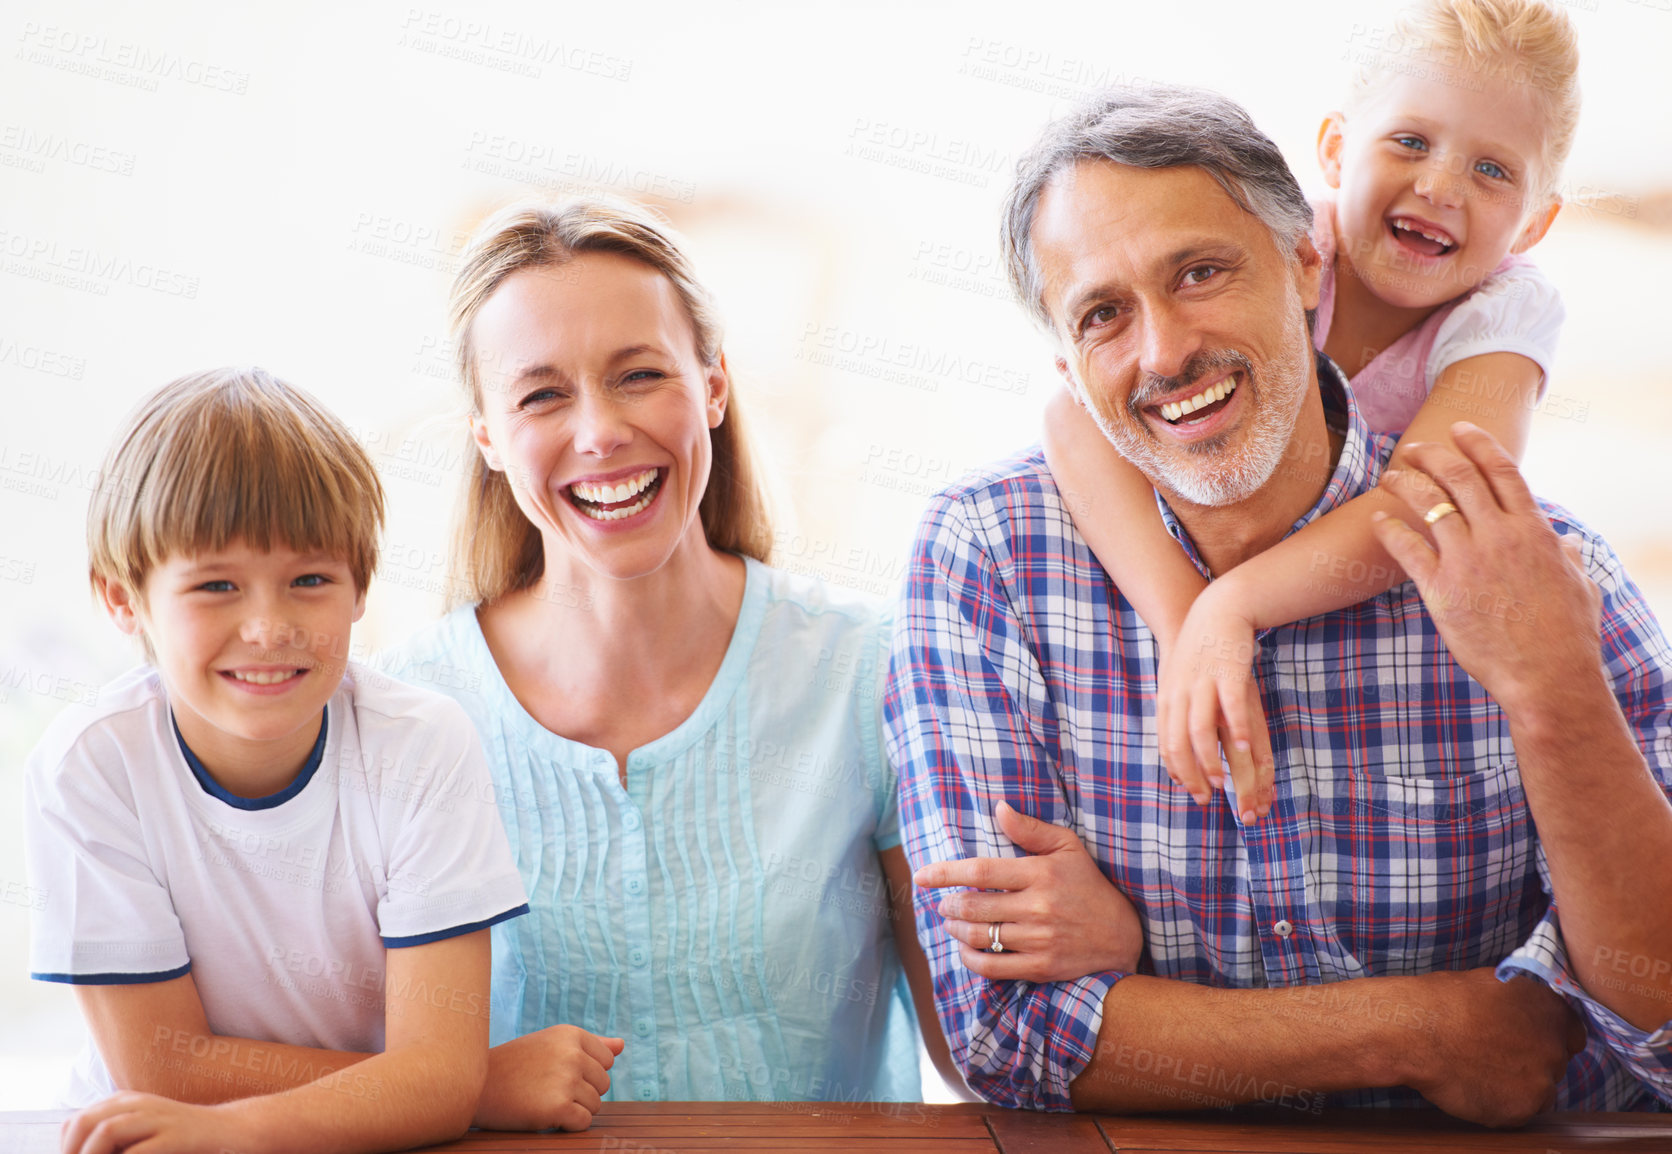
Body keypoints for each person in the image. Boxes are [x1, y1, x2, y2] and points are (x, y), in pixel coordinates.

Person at [886, 84, 1672, 1124]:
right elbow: (1005, 1030)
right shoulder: (990, 558)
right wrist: (1426, 1029)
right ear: (1066, 364)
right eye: (1103, 314)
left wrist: (1554, 694)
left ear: (1303, 263)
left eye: (1199, 272)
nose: (1162, 352)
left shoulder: (1539, 565)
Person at [383, 194, 990, 1124]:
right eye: (543, 394)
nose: (600, 432)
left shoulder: (869, 671)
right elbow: (356, 1071)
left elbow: (978, 1052)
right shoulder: (406, 716)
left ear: (712, 386)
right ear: (488, 439)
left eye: (638, 374)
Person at [1043, 0, 1577, 817]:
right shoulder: (1278, 251)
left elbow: (1427, 505)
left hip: (1370, 620)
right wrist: (1187, 619)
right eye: (1410, 142)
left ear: (1536, 221)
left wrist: (1237, 604)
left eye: (1493, 170)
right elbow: (1070, 418)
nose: (1439, 187)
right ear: (1335, 149)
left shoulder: (1504, 315)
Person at [23, 368, 529, 1154]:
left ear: (360, 587)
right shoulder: (91, 766)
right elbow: (161, 1070)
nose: (268, 627)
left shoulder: (421, 744)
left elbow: (435, 1079)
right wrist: (457, 1086)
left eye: (310, 580)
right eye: (217, 585)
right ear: (125, 601)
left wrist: (436, 1086)